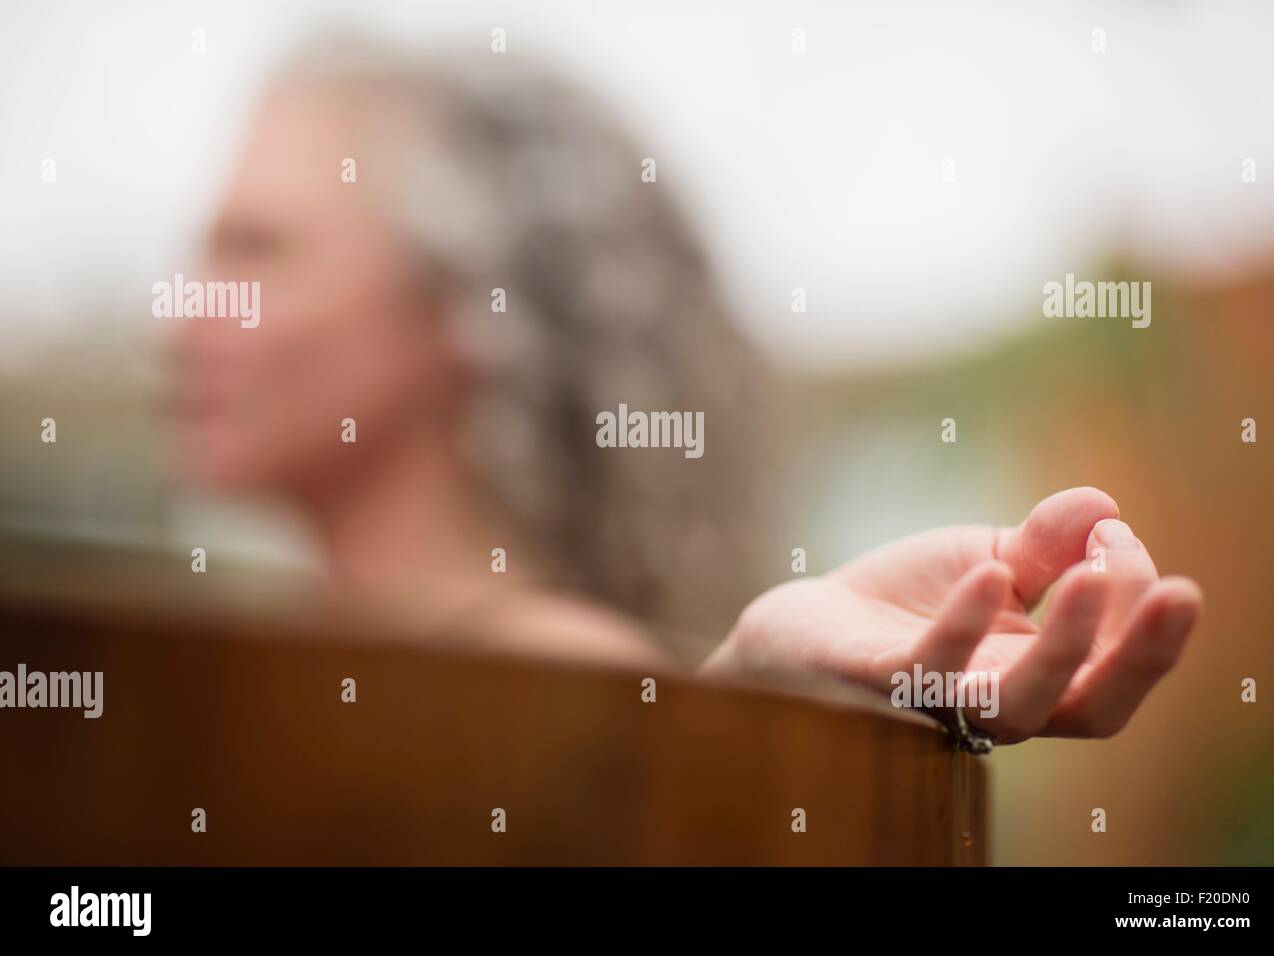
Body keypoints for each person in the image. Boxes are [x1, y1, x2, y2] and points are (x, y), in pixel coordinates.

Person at [171, 34, 1202, 745]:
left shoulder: (552, 681)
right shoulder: (285, 651)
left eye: (255, 251)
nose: (180, 313)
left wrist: (729, 708)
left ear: (467, 309)